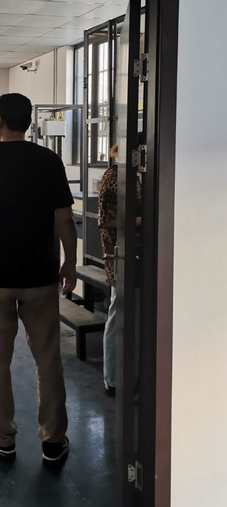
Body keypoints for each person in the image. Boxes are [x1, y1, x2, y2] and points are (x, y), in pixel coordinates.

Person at [0, 93, 77, 464]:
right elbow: (64, 219)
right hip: (41, 277)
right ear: (29, 122)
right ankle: (53, 440)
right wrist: (70, 263)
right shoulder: (49, 161)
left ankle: (2, 437)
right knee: (48, 358)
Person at [98, 144, 142, 396]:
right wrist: (143, 221)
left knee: (132, 315)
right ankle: (113, 379)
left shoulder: (136, 177)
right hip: (120, 255)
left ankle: (129, 376)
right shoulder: (113, 178)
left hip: (137, 255)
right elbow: (106, 221)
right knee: (119, 315)